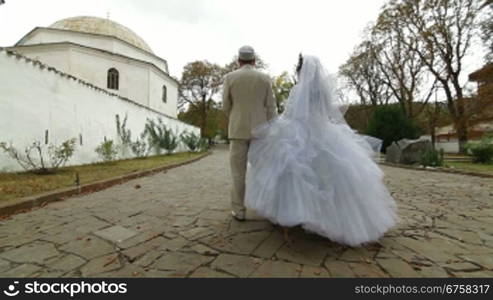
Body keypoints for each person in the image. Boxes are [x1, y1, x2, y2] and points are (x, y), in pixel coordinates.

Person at [244, 54, 398, 247]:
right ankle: (331, 218)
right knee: (331, 177)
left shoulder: (297, 90)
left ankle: (290, 217)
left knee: (291, 173)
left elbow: (290, 114)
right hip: (322, 131)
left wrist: (276, 128)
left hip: (296, 131)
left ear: (301, 71)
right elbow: (328, 113)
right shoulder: (323, 91)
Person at [222, 45, 277, 221]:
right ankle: (266, 209)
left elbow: (225, 105)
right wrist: (270, 127)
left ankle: (239, 210)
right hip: (260, 132)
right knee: (263, 171)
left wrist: (235, 118)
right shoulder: (265, 78)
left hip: (237, 130)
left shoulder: (229, 78)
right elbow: (271, 107)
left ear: (238, 61)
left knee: (238, 173)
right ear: (254, 60)